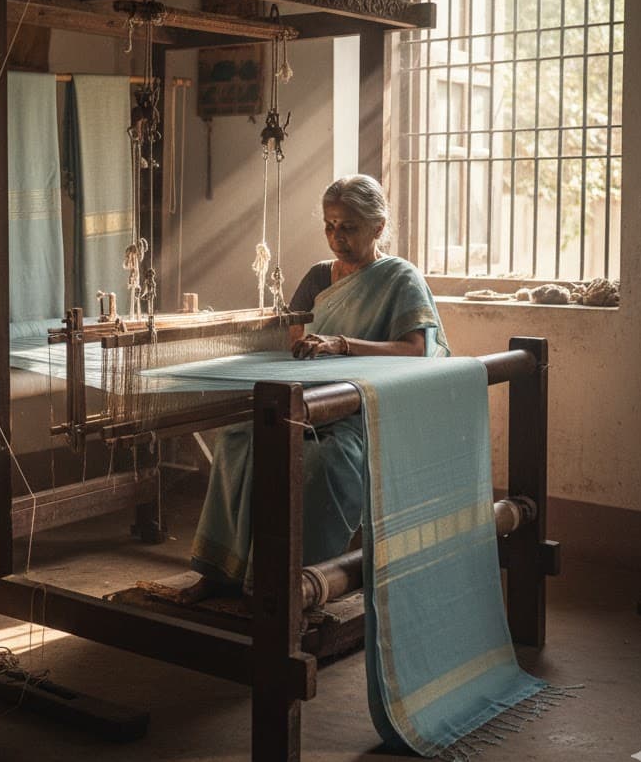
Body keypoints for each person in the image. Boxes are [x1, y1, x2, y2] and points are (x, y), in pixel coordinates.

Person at [190, 174, 449, 588]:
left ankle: (290, 582)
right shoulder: (317, 277)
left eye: (348, 227)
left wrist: (342, 345)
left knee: (322, 463)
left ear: (378, 228)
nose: (336, 237)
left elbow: (416, 350)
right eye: (329, 226)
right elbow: (296, 339)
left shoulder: (400, 279)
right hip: (308, 402)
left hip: (358, 410)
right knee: (237, 440)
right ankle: (222, 572)